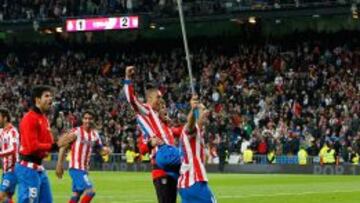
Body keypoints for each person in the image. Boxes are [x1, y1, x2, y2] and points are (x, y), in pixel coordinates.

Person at [124, 66, 182, 203]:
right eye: (158, 97)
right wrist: (128, 79)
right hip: (161, 166)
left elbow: (180, 132)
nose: (161, 101)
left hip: (172, 166)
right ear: (149, 98)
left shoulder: (163, 122)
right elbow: (131, 100)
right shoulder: (146, 111)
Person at [15, 85, 75, 203]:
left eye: (51, 96)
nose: (50, 99)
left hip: (39, 169)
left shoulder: (44, 119)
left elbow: (50, 144)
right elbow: (32, 147)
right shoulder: (29, 119)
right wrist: (56, 145)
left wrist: (65, 142)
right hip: (28, 168)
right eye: (46, 96)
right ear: (37, 100)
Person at [56, 109, 111, 203]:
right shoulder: (76, 131)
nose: (87, 121)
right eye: (85, 118)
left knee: (76, 194)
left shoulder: (95, 135)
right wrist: (59, 165)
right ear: (82, 119)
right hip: (76, 168)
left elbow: (100, 150)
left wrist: (106, 150)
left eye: (90, 118)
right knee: (91, 191)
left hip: (84, 169)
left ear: (93, 120)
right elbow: (62, 146)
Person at [178, 96, 216, 203]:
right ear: (196, 114)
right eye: (203, 110)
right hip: (194, 182)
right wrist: (193, 109)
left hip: (187, 184)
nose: (206, 112)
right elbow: (190, 125)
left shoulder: (198, 132)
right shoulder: (190, 130)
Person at [0, 108, 19, 203]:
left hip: (13, 169)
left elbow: (13, 149)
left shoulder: (13, 131)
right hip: (5, 170)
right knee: (7, 198)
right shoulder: (2, 132)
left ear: (5, 118)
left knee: (2, 196)